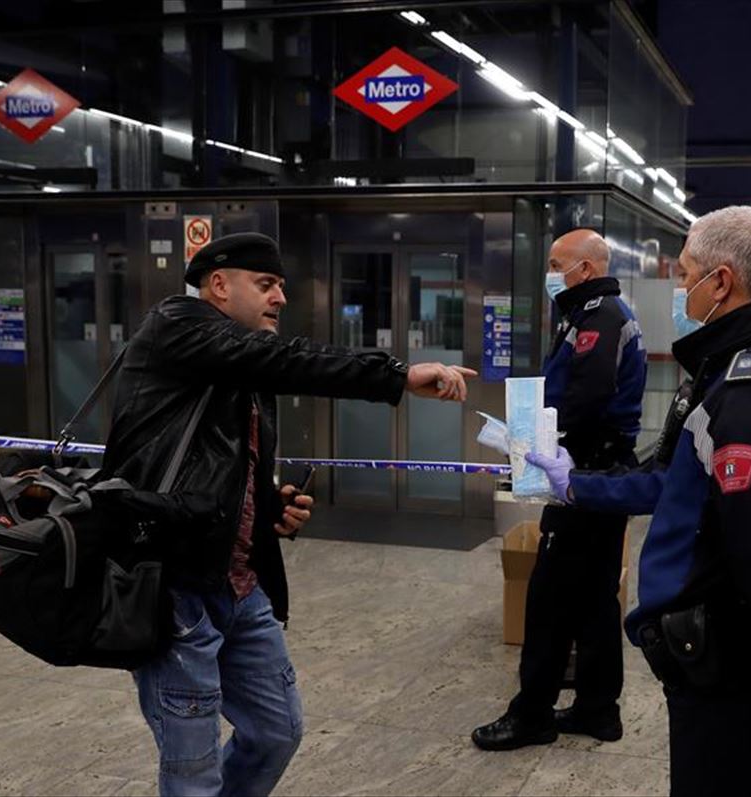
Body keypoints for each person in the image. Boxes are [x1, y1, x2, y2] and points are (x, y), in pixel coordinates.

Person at [100, 232, 474, 797]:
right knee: (191, 768)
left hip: (240, 584)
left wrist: (266, 508)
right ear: (219, 286)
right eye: (266, 284)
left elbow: (216, 463)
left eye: (281, 287)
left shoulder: (238, 362)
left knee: (277, 732)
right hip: (175, 587)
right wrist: (395, 376)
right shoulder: (177, 323)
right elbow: (284, 359)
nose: (279, 298)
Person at [528, 207, 751, 796]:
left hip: (741, 664)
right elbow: (673, 478)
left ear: (722, 282)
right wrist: (576, 485)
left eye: (686, 276)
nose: (681, 291)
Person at [472, 229, 647, 751]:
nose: (550, 273)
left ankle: (532, 715)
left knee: (549, 595)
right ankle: (598, 709)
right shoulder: (586, 314)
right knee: (594, 595)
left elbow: (582, 402)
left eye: (556, 263)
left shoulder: (601, 318)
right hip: (596, 471)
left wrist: (533, 452)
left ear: (585, 269)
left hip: (584, 473)